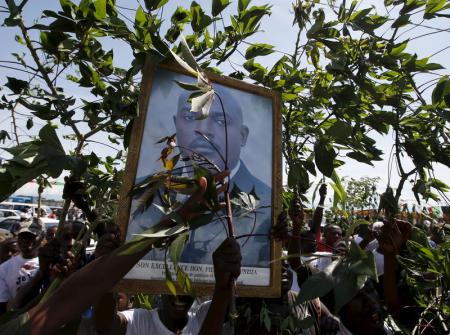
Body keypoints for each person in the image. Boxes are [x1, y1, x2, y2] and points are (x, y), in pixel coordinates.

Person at [128, 83, 272, 269]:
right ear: (176, 126)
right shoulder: (141, 193)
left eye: (221, 121)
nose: (203, 130)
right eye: (189, 117)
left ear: (242, 136)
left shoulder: (267, 201)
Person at [0, 220, 42, 314]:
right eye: (23, 237)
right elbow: (3, 304)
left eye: (32, 237)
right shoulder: (4, 268)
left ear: (41, 238)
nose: (27, 240)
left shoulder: (49, 263)